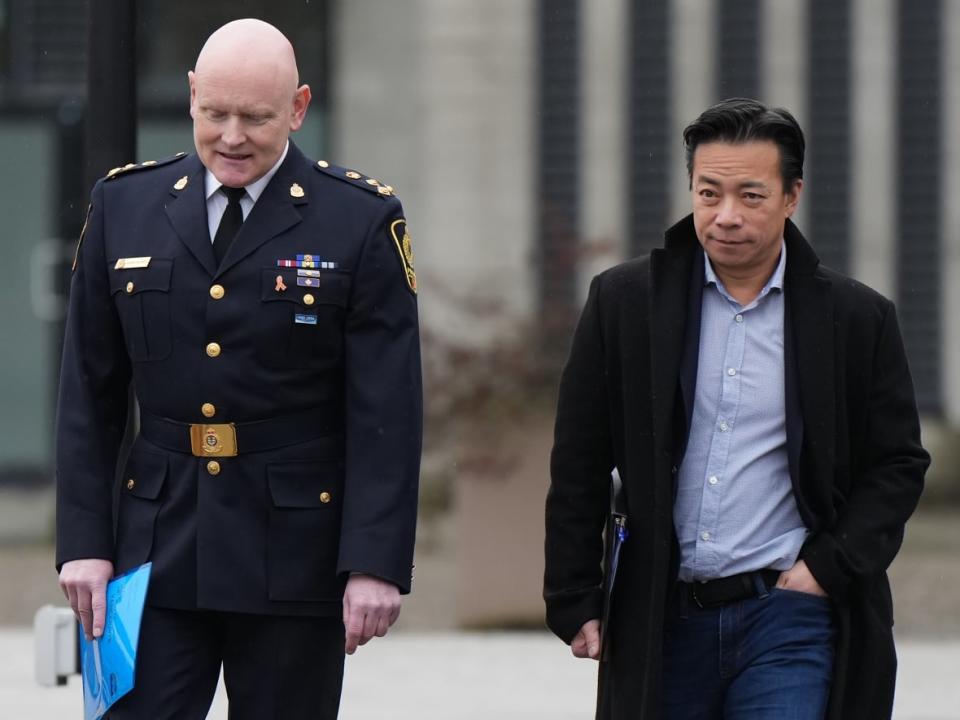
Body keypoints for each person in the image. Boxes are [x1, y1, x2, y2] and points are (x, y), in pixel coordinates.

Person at [56, 18, 421, 719]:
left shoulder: (359, 222)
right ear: (192, 95)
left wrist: (374, 562)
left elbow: (387, 410)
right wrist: (83, 543)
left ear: (298, 107)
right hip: (152, 548)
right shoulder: (123, 207)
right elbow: (88, 393)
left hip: (294, 551)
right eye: (214, 113)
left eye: (254, 118)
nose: (231, 137)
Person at [543, 98, 929, 719]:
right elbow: (580, 460)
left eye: (751, 196)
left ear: (791, 195)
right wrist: (572, 594)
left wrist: (825, 569)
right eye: (708, 193)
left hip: (789, 616)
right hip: (660, 613)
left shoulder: (857, 319)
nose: (725, 216)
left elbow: (898, 462)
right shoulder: (624, 302)